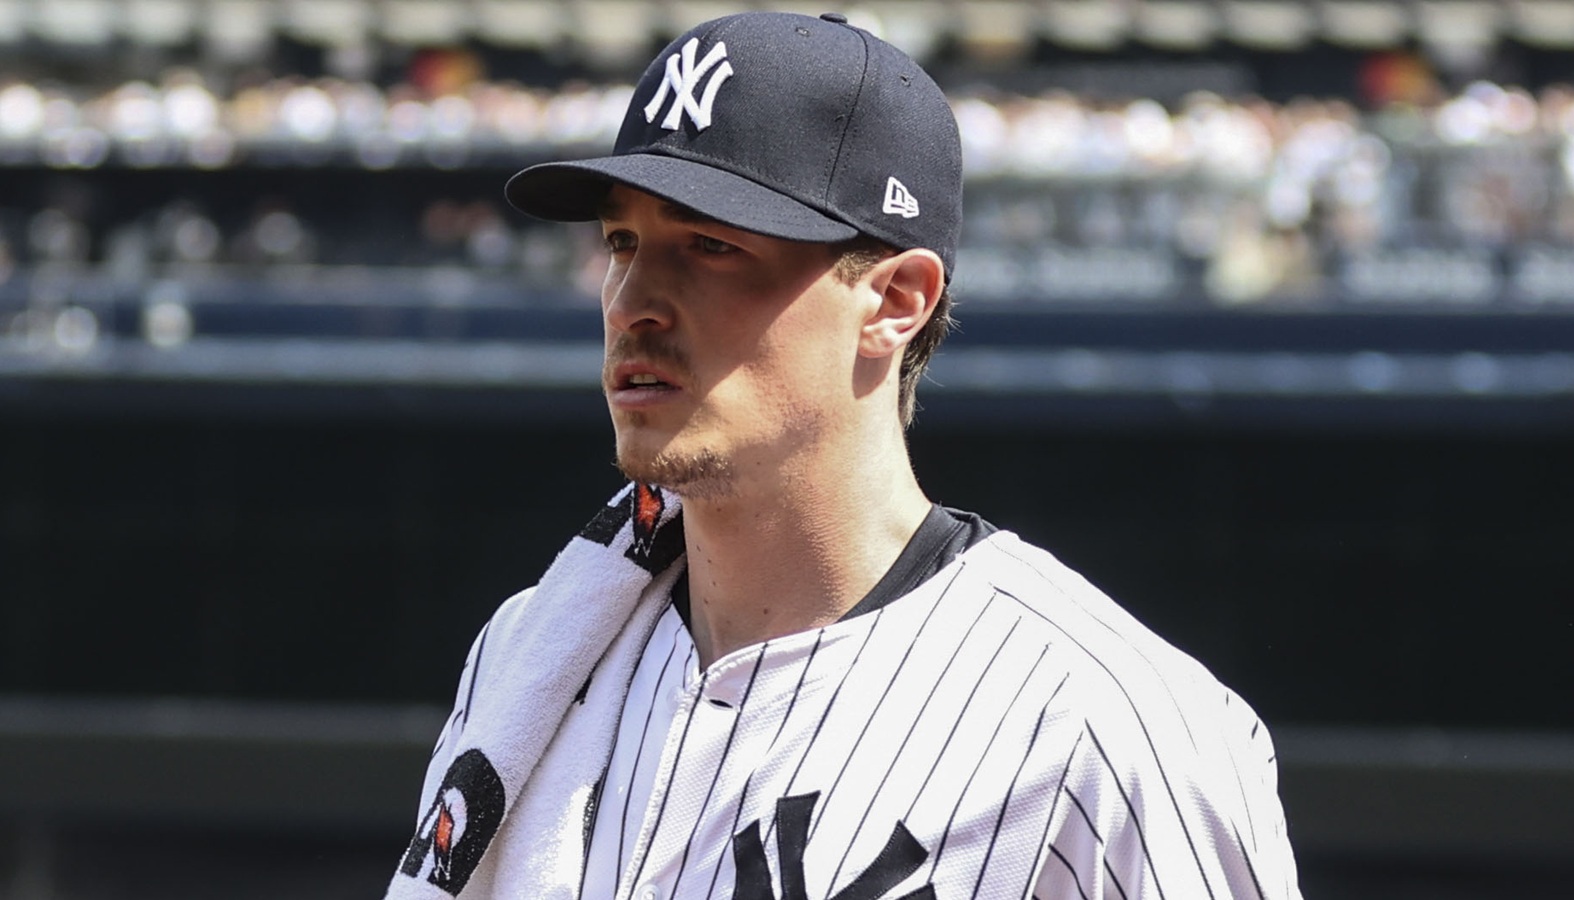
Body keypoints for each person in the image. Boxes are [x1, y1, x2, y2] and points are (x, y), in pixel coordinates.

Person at [386, 11, 1302, 900]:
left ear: (896, 299)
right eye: (623, 240)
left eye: (711, 244)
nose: (633, 302)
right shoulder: (532, 649)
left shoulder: (1108, 726)